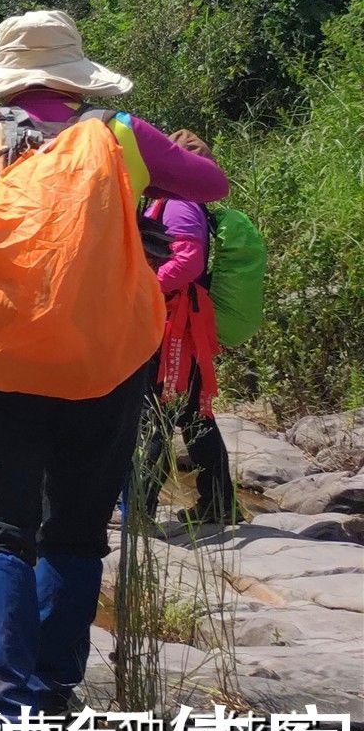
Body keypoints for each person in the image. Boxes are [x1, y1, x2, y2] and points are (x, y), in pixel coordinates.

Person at [0, 10, 229, 718]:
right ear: (76, 74)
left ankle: (1, 703)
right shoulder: (118, 134)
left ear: (6, 74)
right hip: (105, 359)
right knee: (77, 527)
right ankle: (54, 689)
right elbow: (212, 185)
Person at [134, 129, 236, 528]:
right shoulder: (179, 200)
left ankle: (140, 508)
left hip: (177, 326)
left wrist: (143, 292)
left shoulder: (180, 204)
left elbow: (189, 262)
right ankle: (219, 502)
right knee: (193, 414)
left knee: (160, 411)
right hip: (181, 323)